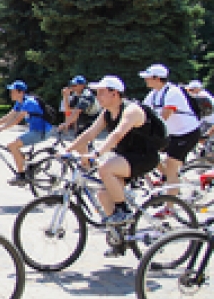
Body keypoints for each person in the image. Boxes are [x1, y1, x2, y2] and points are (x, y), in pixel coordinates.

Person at [65, 76, 161, 254]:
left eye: (101, 92)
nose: (98, 96)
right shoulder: (107, 112)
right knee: (103, 194)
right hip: (126, 157)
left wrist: (96, 154)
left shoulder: (132, 110)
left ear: (115, 93)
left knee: (105, 167)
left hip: (144, 157)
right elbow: (90, 133)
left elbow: (117, 135)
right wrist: (68, 150)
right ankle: (119, 240)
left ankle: (123, 210)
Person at [141, 64, 200, 200]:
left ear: (157, 78)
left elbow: (163, 117)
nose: (145, 80)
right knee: (148, 152)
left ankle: (169, 207)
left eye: (148, 77)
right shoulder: (154, 93)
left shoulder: (173, 92)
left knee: (171, 165)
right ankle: (170, 181)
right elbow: (142, 111)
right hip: (174, 134)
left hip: (187, 133)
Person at [0, 80, 54, 186]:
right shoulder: (20, 102)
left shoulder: (29, 102)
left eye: (13, 91)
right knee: (13, 147)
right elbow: (9, 116)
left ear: (21, 92)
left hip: (41, 131)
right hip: (35, 130)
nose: (11, 93)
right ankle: (30, 164)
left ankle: (21, 176)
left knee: (12, 146)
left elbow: (16, 120)